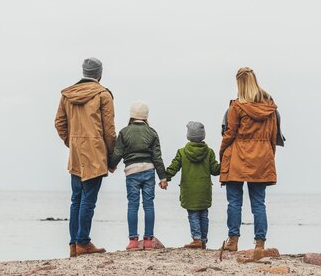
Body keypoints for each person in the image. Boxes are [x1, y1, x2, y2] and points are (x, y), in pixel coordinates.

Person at [54, 57, 116, 257]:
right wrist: (111, 157)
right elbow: (109, 130)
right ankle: (83, 242)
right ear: (99, 74)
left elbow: (59, 124)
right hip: (95, 152)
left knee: (76, 200)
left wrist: (72, 142)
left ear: (83, 71)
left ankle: (74, 244)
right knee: (88, 200)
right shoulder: (103, 95)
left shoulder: (67, 95)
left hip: (76, 153)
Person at [219, 67, 278, 257]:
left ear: (239, 84)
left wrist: (222, 153)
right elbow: (273, 136)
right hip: (262, 156)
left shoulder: (236, 107)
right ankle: (260, 244)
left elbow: (230, 134)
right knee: (259, 203)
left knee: (234, 202)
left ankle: (233, 241)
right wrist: (269, 155)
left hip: (238, 156)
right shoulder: (270, 107)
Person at [108, 101, 167, 251]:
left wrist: (112, 165)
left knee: (132, 205)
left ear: (132, 115)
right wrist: (163, 178)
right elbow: (157, 157)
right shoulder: (152, 132)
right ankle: (148, 241)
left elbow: (118, 153)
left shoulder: (124, 132)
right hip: (149, 171)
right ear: (146, 117)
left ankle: (133, 241)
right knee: (148, 205)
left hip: (132, 172)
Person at [165, 121, 220, 249]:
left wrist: (165, 177)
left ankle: (197, 239)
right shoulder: (209, 152)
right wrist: (226, 166)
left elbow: (174, 167)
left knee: (193, 214)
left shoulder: (182, 152)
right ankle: (203, 240)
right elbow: (215, 170)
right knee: (204, 214)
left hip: (189, 189)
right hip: (204, 189)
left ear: (188, 136)